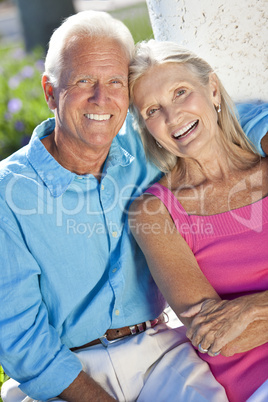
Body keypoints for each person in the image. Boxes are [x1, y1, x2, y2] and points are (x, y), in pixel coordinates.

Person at [0, 11, 266, 402]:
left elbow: (218, 118)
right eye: (83, 81)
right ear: (50, 91)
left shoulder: (143, 143)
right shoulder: (10, 193)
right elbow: (23, 338)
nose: (100, 99)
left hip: (158, 353)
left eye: (113, 83)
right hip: (69, 372)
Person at [128, 39, 268, 402]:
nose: (172, 117)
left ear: (214, 90)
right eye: (152, 110)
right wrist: (237, 324)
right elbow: (222, 338)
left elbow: (241, 324)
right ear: (146, 129)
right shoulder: (153, 213)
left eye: (181, 92)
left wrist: (251, 308)